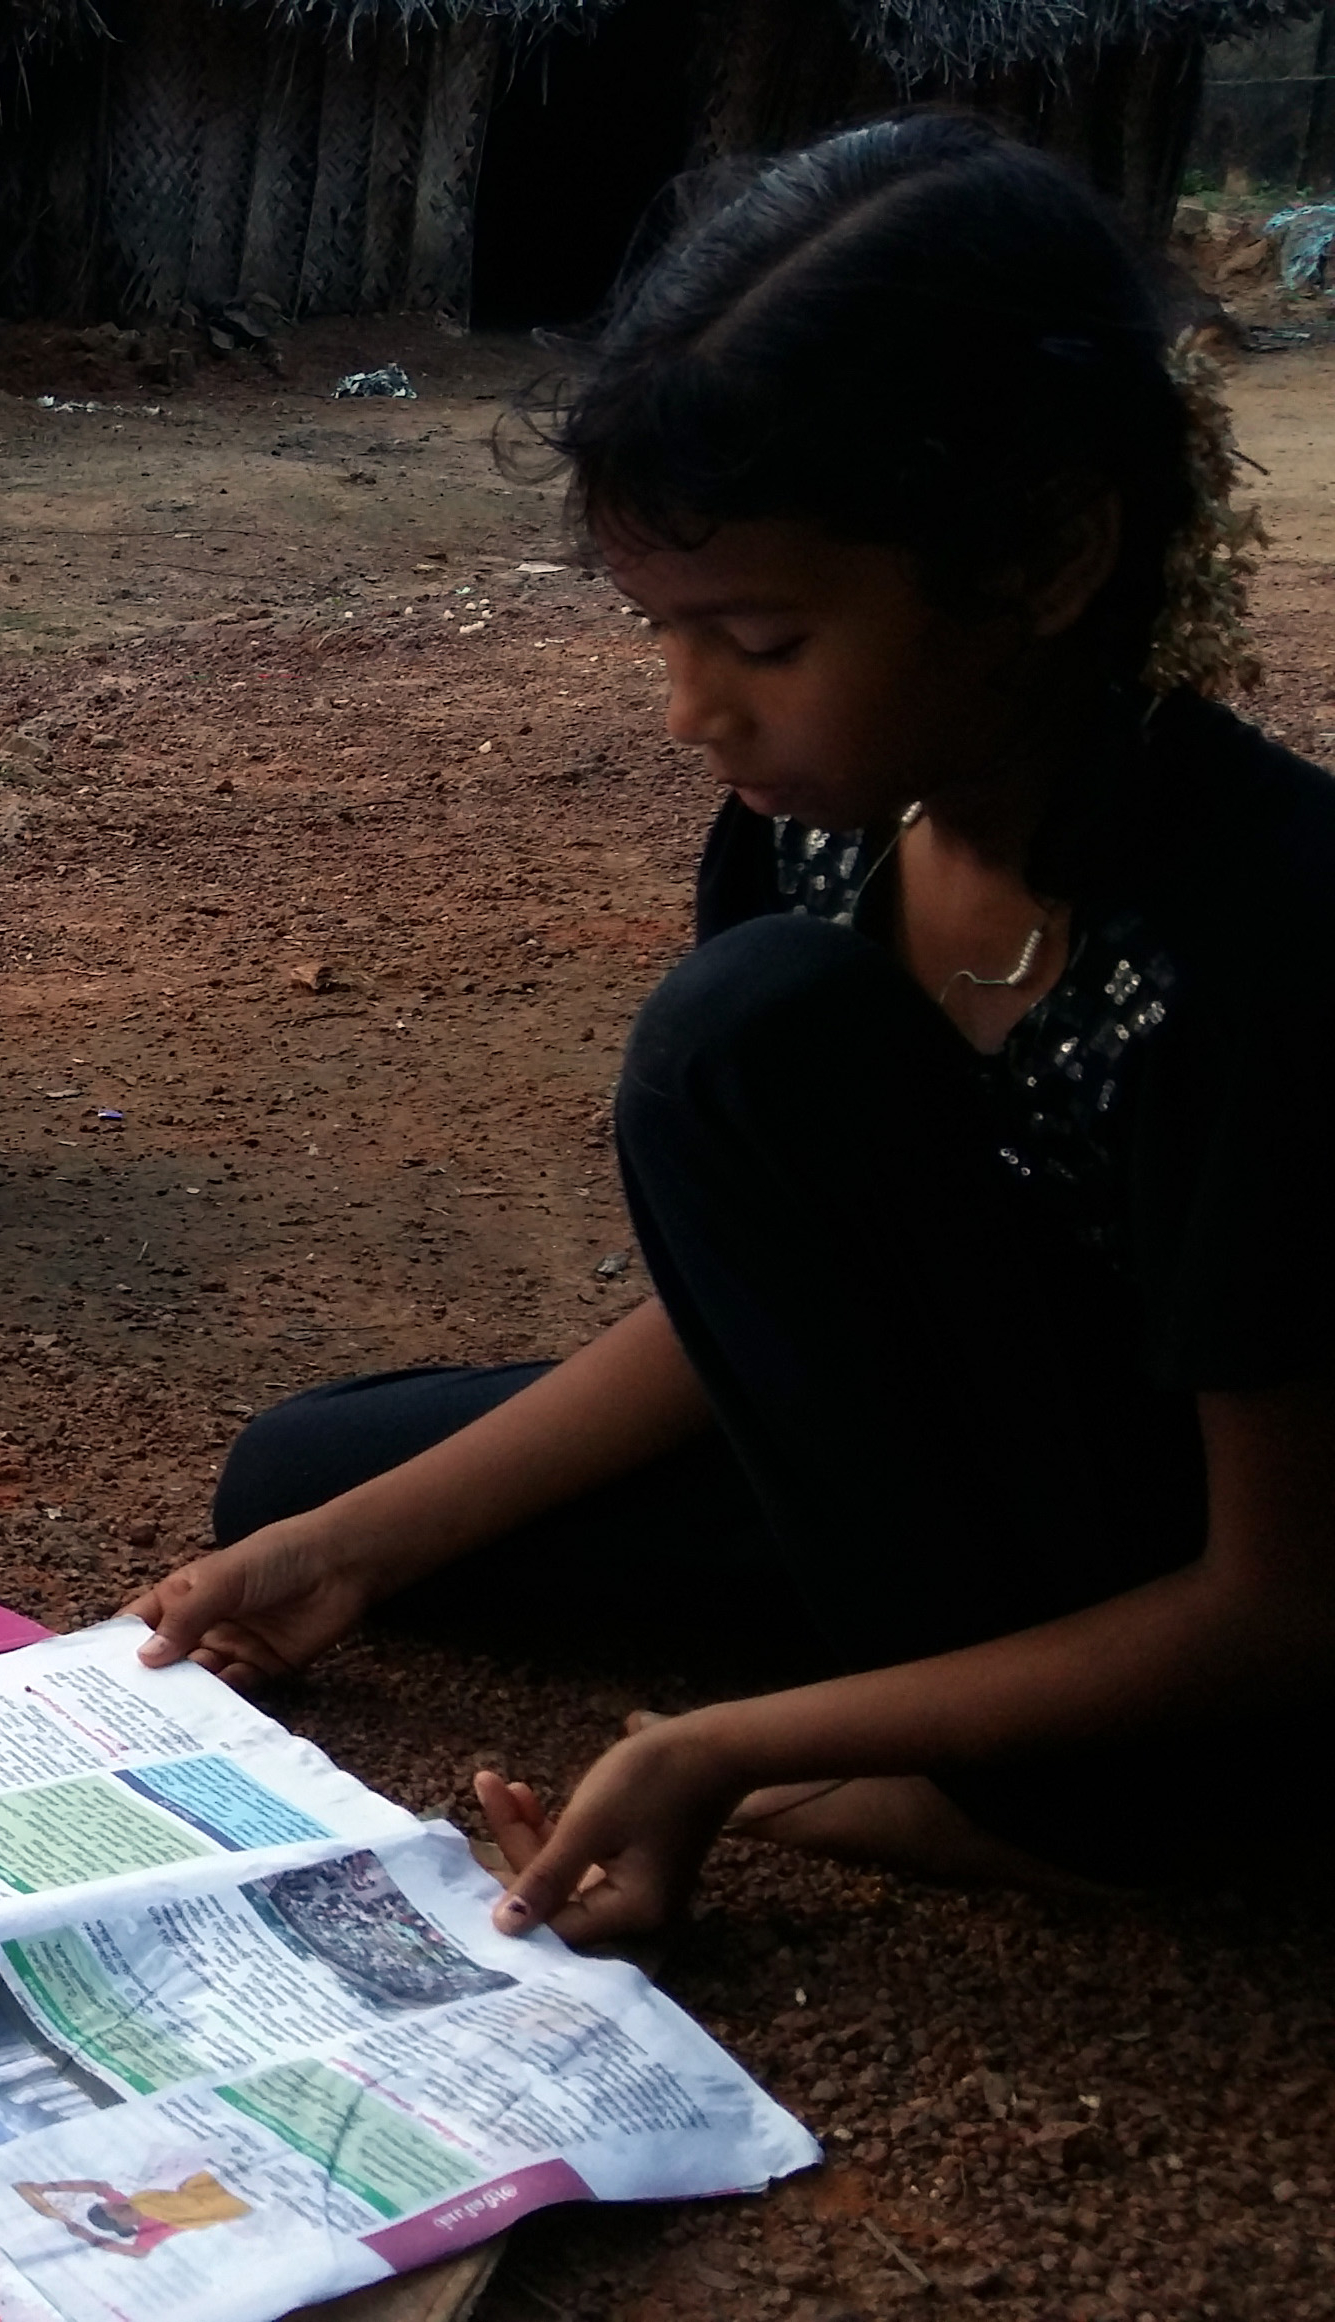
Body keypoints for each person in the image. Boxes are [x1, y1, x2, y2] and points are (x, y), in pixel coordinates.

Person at [122, 115, 1335, 1944]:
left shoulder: (1263, 941)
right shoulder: (815, 844)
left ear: (1048, 554)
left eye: (758, 642)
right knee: (307, 1484)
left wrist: (728, 1745)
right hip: (955, 1472)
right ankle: (934, 1698)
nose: (694, 710)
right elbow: (768, 1305)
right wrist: (351, 1550)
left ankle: (1036, 1801)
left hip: (1215, 1608)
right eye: (663, 634)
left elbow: (1279, 1603)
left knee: (736, 1027)